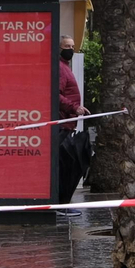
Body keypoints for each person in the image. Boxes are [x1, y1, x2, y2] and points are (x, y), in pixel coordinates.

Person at [55, 35, 91, 217]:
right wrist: (73, 108)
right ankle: (59, 204)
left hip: (68, 123)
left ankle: (62, 203)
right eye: (67, 46)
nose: (70, 49)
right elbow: (56, 94)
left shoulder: (65, 67)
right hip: (62, 123)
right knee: (63, 166)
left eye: (73, 45)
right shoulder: (60, 69)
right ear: (59, 47)